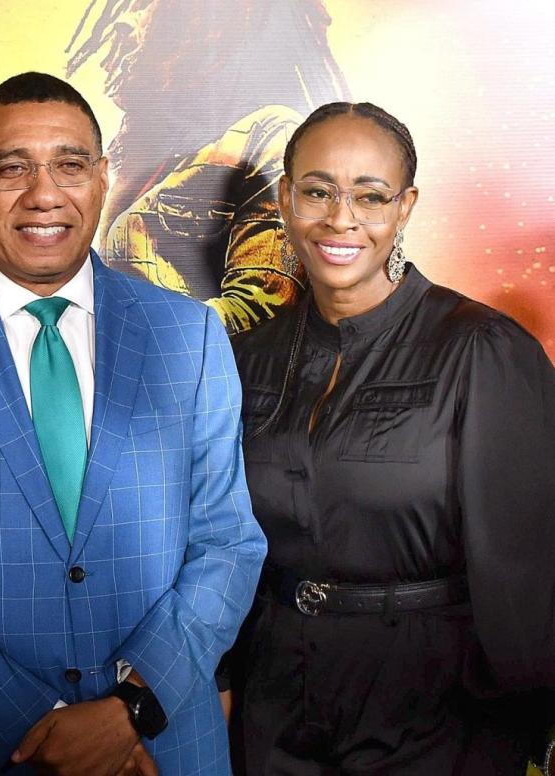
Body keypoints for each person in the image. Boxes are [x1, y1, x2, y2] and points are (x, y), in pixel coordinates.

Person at [0, 72, 266, 775]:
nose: (44, 194)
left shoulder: (187, 334)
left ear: (101, 180)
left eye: (69, 165)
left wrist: (131, 712)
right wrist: (43, 732)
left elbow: (226, 545)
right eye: (13, 168)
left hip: (162, 746)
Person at [229, 101, 555, 774]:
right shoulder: (243, 358)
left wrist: (531, 726)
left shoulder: (480, 349)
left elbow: (529, 570)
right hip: (274, 706)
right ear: (285, 199)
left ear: (405, 206)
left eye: (369, 196)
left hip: (434, 711)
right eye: (317, 191)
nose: (339, 218)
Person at [65, 0, 350, 334]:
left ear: (215, 28)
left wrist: (131, 342)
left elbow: (262, 311)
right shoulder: (144, 162)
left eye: (144, 5)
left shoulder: (271, 134)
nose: (123, 25)